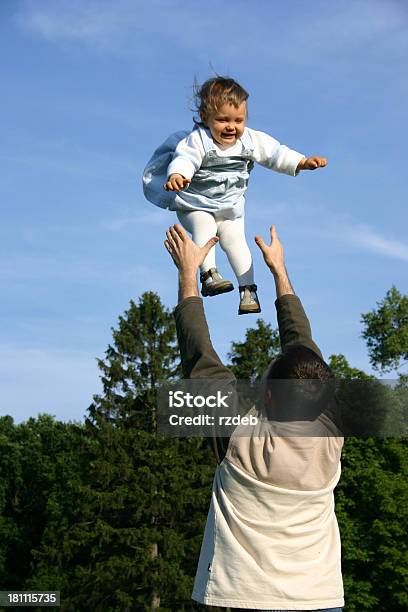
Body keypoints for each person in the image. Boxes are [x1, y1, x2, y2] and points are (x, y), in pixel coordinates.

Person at [164, 223, 344, 612]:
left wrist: (187, 274)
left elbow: (199, 358)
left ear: (267, 395)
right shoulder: (331, 434)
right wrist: (279, 272)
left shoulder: (239, 439)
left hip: (239, 599)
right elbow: (303, 348)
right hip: (320, 599)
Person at [143, 76, 327, 315]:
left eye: (238, 120)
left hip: (229, 207)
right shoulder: (197, 140)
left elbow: (274, 153)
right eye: (222, 120)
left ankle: (248, 290)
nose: (231, 126)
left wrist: (301, 162)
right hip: (195, 203)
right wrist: (178, 174)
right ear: (205, 117)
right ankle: (208, 274)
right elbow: (184, 158)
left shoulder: (250, 140)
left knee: (236, 242)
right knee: (205, 225)